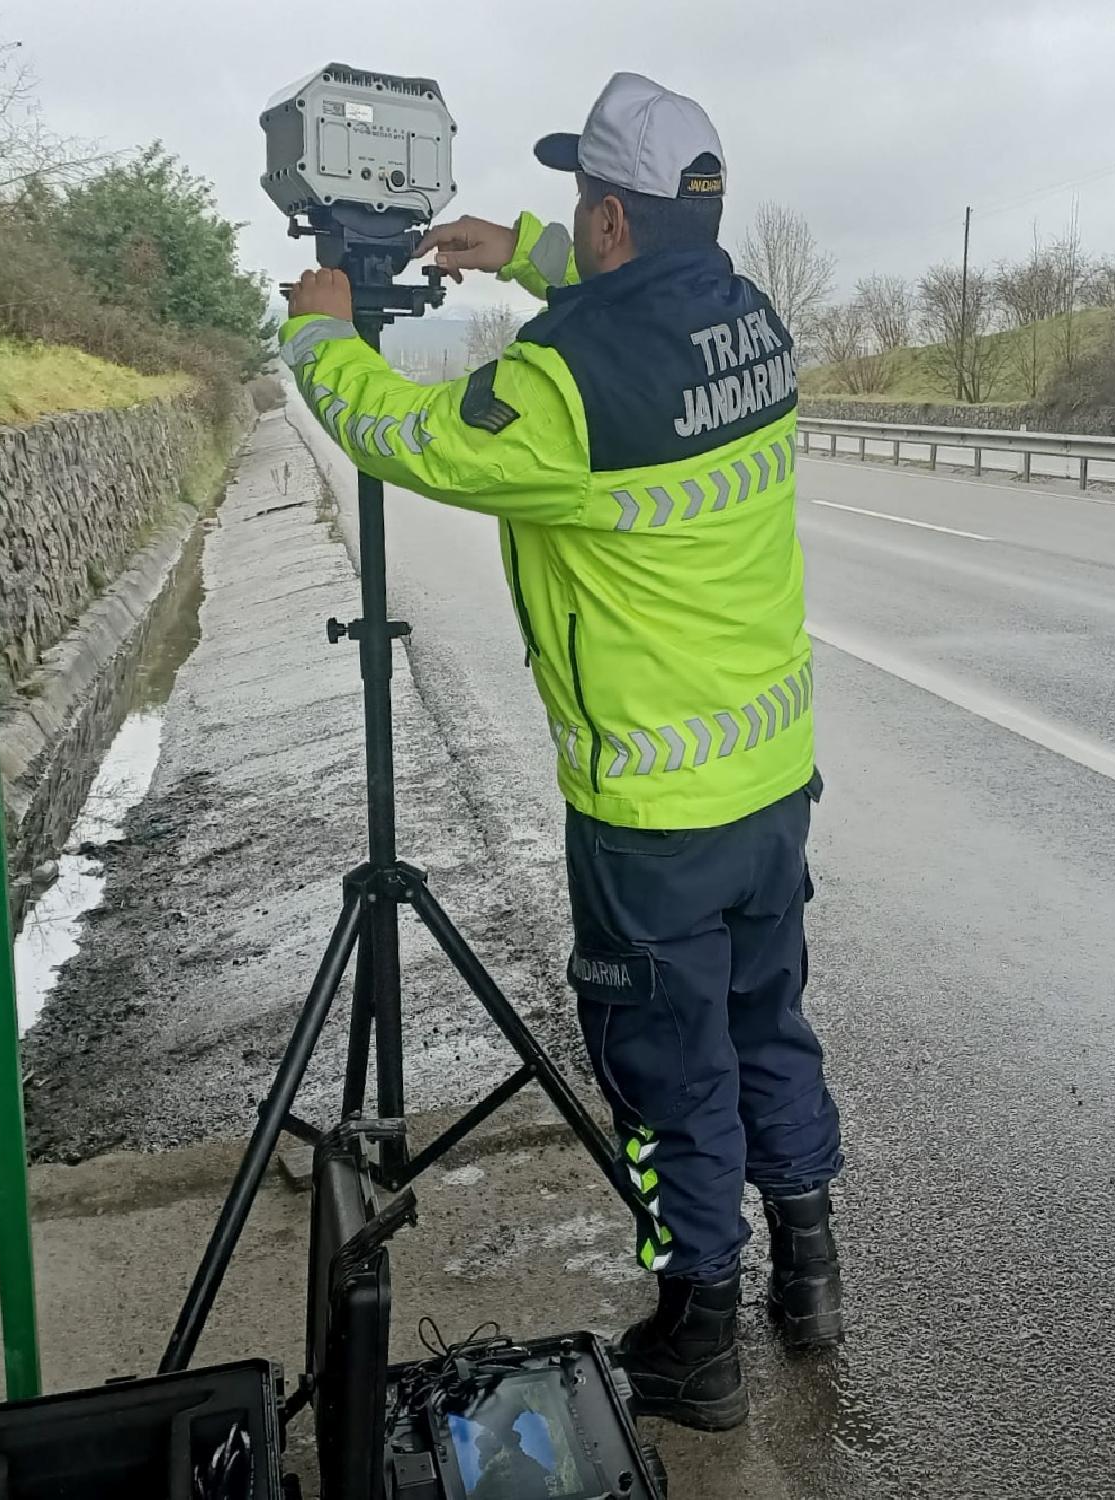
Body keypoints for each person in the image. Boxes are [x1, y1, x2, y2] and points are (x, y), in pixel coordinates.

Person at [278, 72, 843, 1432]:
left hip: (654, 812)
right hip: (771, 787)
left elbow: (404, 434)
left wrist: (321, 339)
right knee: (768, 1027)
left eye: (576, 212)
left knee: (671, 1073)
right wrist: (518, 252)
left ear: (608, 217)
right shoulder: (750, 318)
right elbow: (633, 310)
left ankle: (700, 1333)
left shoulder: (556, 392)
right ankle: (810, 1278)